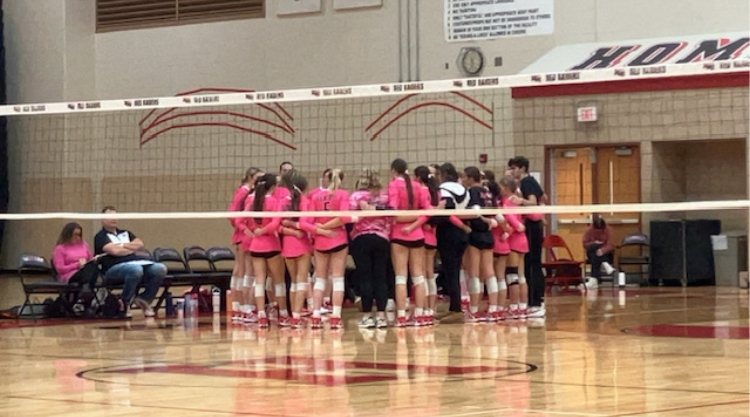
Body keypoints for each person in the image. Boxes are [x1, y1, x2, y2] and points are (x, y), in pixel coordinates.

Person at [94, 206, 167, 318]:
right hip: (113, 269)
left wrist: (122, 245)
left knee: (160, 268)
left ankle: (144, 299)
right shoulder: (100, 236)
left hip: (136, 263)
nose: (113, 219)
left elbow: (139, 244)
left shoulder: (126, 233)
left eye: (115, 216)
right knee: (135, 270)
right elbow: (114, 251)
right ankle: (125, 302)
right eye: (110, 216)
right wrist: (129, 248)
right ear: (102, 220)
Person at [349, 168, 391, 329]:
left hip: (361, 239)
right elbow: (391, 216)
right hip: (382, 239)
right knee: (380, 277)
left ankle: (367, 316)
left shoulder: (355, 197)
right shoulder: (385, 197)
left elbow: (350, 217)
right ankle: (381, 317)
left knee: (365, 277)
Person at [244, 173, 286, 328]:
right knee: (278, 281)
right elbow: (276, 223)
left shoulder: (252, 201)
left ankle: (261, 315)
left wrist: (254, 231)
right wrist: (264, 231)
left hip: (256, 245)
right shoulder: (275, 202)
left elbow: (242, 220)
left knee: (259, 281)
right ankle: (282, 314)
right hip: (271, 244)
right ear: (273, 187)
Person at [508, 156, 546, 318]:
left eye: (514, 168)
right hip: (535, 225)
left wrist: (520, 200)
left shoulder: (527, 182)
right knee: (534, 262)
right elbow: (544, 198)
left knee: (531, 264)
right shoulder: (530, 182)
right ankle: (537, 299)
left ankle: (534, 302)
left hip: (531, 225)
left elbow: (533, 202)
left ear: (522, 168)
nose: (512, 171)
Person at [434, 163, 471, 324]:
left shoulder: (444, 188)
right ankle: (453, 308)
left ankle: (456, 309)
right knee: (453, 271)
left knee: (451, 272)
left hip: (449, 233)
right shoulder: (462, 188)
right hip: (462, 233)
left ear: (442, 174)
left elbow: (447, 210)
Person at [52, 222, 98, 287]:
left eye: (79, 235)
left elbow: (90, 259)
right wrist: (77, 265)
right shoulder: (60, 249)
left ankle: (88, 289)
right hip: (70, 275)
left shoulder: (84, 245)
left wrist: (94, 260)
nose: (77, 237)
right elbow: (60, 269)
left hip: (85, 270)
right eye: (75, 234)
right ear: (68, 234)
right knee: (84, 274)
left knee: (94, 268)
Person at [581, 215, 616, 290]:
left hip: (606, 253)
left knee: (595, 255)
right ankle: (605, 263)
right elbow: (585, 244)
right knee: (594, 249)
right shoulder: (589, 230)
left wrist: (602, 250)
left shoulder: (609, 230)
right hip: (592, 250)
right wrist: (594, 243)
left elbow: (611, 244)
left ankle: (594, 280)